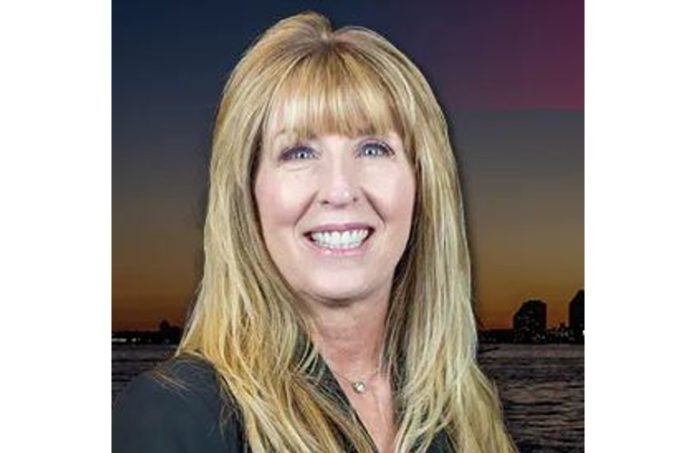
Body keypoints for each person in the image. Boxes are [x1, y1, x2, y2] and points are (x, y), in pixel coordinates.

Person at [113, 11, 517, 453]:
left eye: (373, 148)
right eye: (299, 153)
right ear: (247, 193)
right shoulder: (177, 414)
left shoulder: (466, 411)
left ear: (423, 184)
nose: (340, 190)